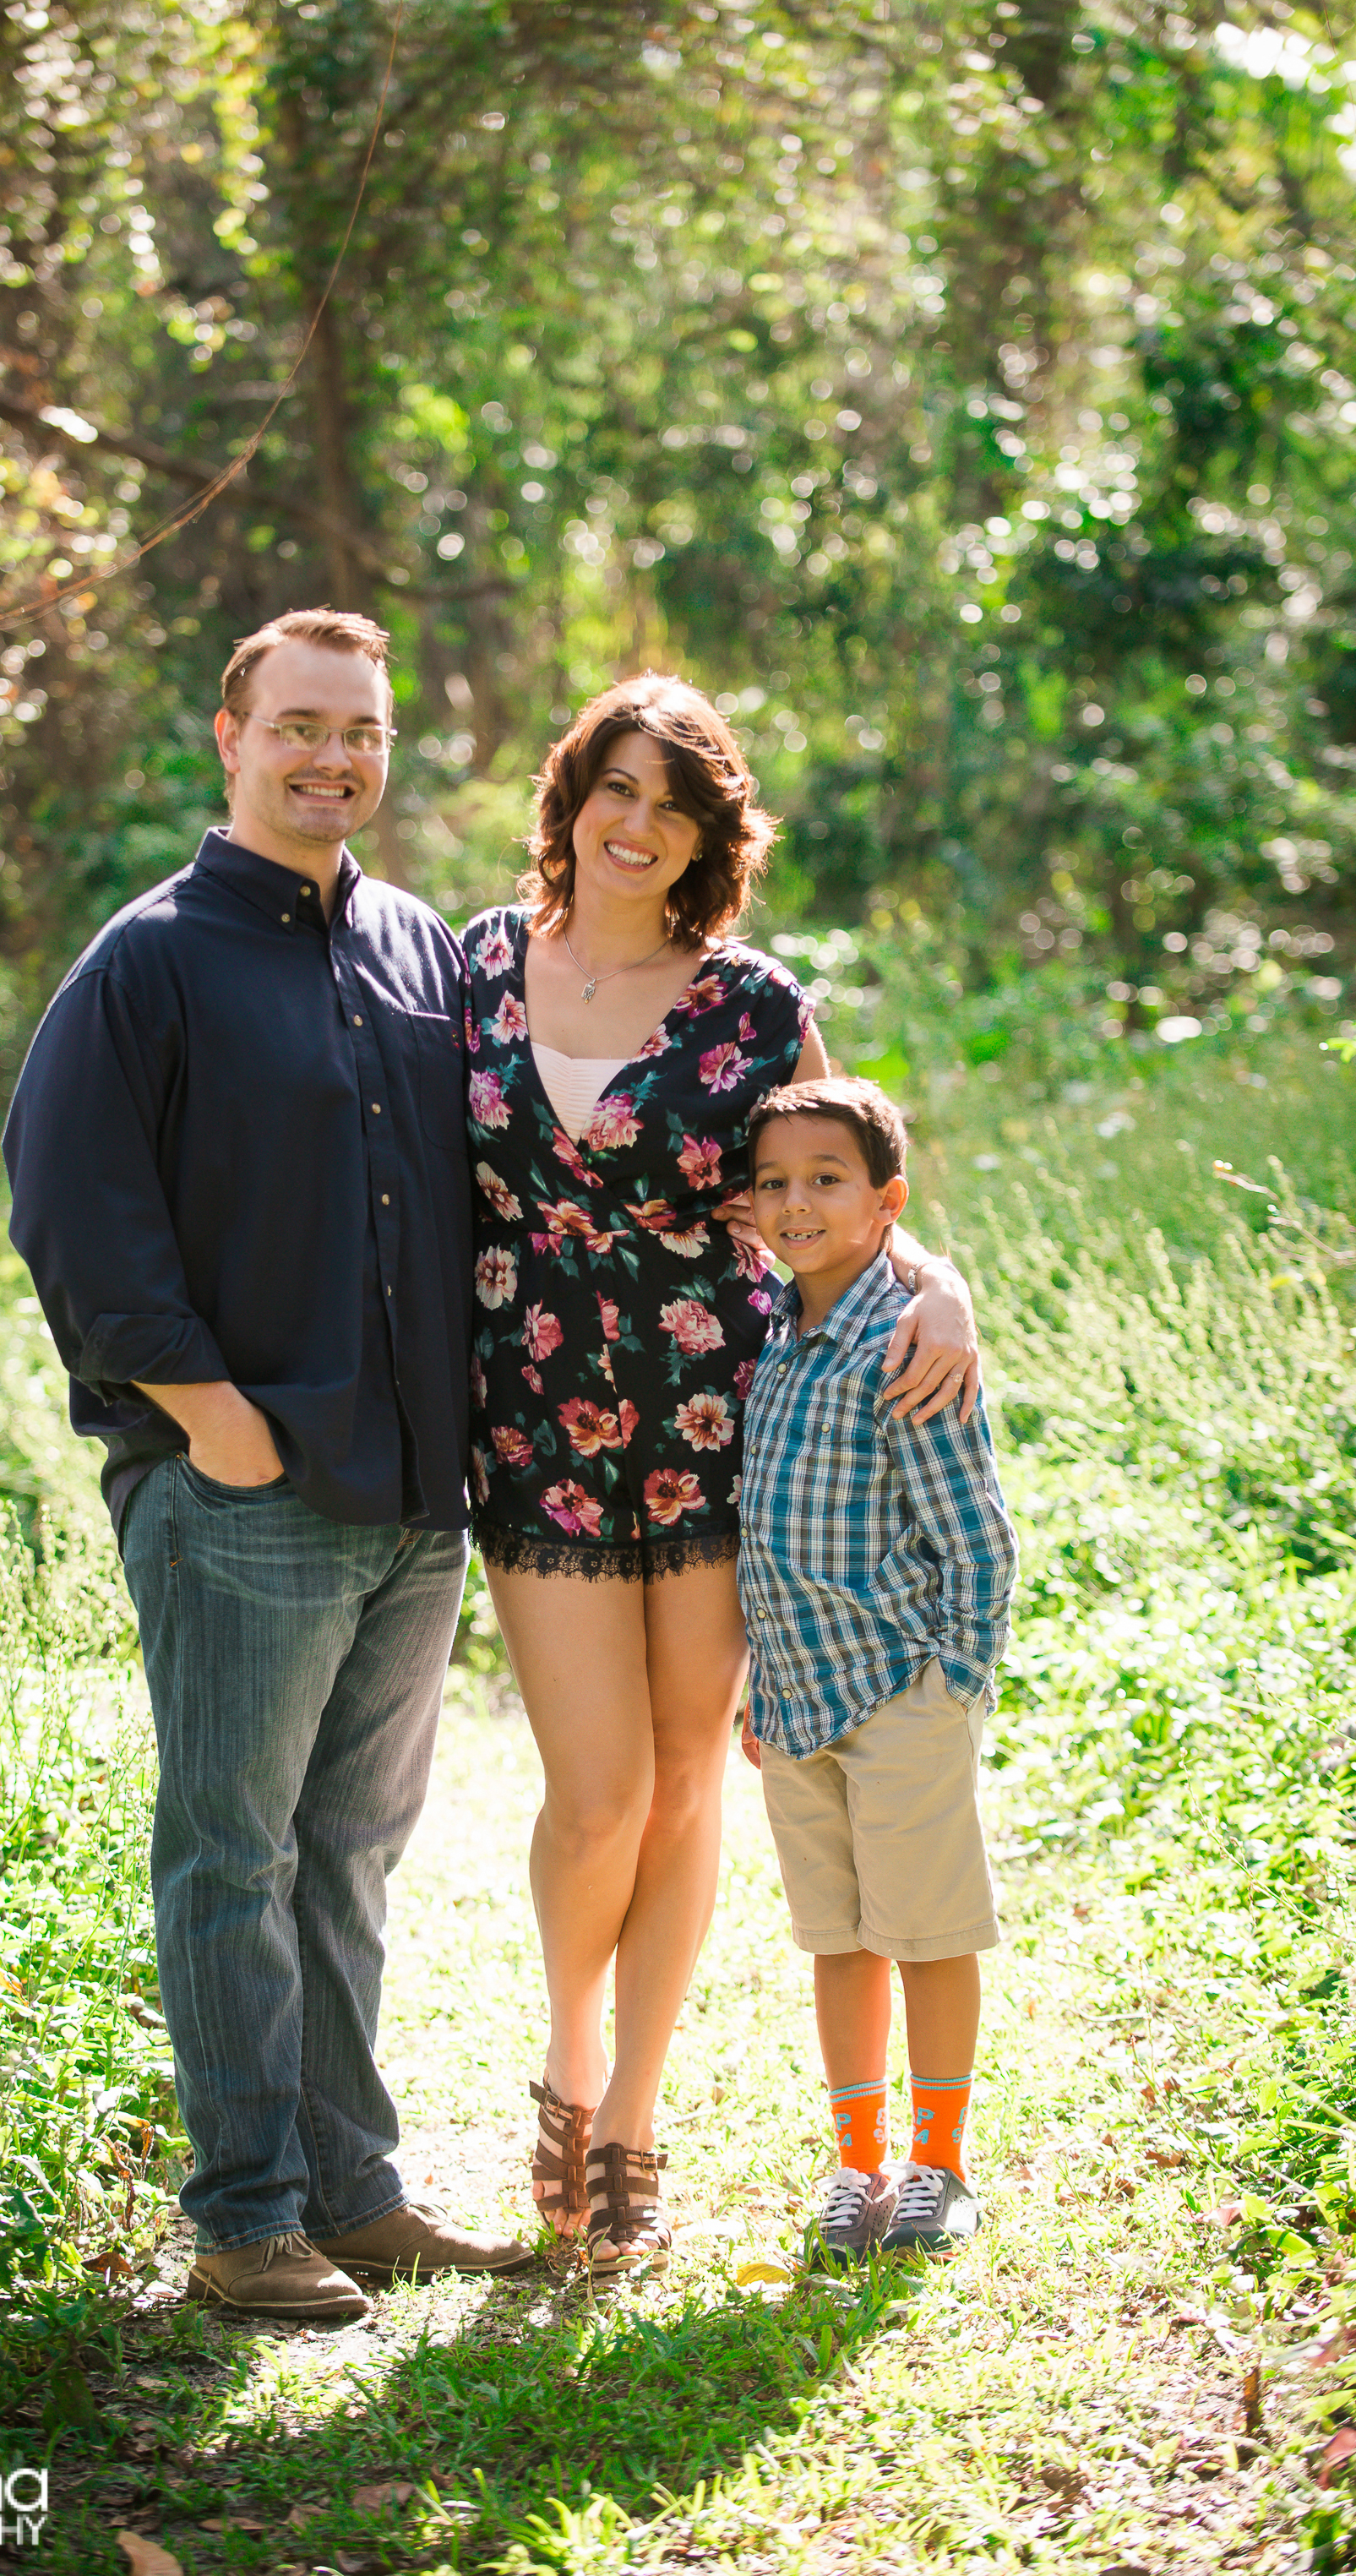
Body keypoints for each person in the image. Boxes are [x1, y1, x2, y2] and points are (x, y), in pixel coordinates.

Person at [4, 607, 531, 2323]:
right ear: (227, 737)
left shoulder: (419, 951)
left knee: (351, 1855)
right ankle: (243, 2219)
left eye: (362, 732)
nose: (333, 758)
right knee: (232, 1857)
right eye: (299, 725)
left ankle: (352, 2190)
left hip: (408, 1498)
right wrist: (215, 1422)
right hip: (241, 1490)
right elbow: (76, 1211)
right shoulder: (147, 959)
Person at [461, 677, 978, 2272]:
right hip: (534, 1408)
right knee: (596, 1785)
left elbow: (840, 1174)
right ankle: (565, 2056)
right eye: (615, 790)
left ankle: (633, 2113)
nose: (637, 825)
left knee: (690, 1780)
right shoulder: (477, 961)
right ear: (573, 799)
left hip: (709, 1410)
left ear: (708, 839)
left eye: (673, 808)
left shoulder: (749, 1001)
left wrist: (945, 1282)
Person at [732, 1076, 1015, 2262]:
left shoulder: (910, 1342)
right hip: (797, 1699)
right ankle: (856, 2167)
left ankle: (938, 2160)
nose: (798, 1203)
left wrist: (952, 1674)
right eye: (776, 1183)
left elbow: (978, 1533)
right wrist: (761, 1677)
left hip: (899, 1686)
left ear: (887, 1200)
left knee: (928, 1928)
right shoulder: (776, 1337)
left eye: (827, 1180)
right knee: (837, 1936)